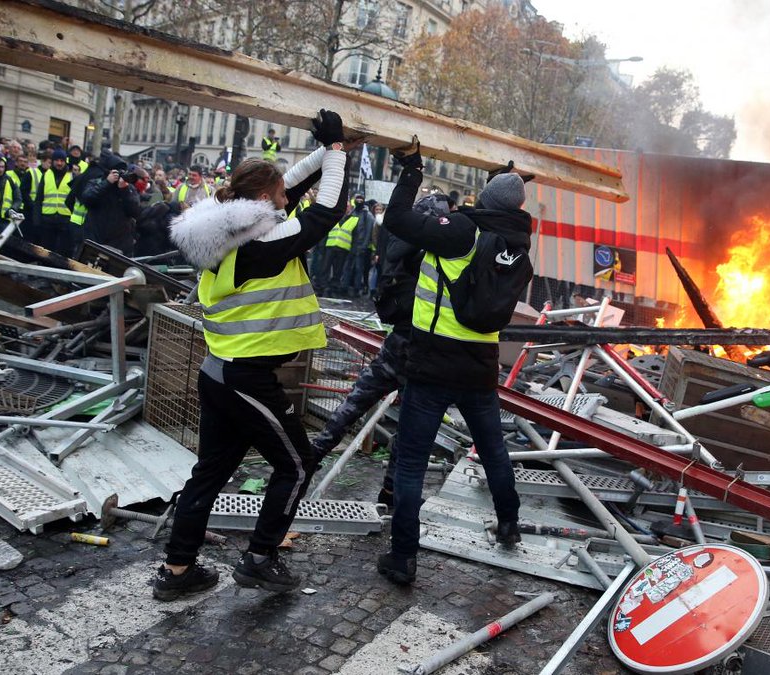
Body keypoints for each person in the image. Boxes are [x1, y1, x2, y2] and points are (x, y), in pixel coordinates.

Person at [153, 109, 350, 601]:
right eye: (279, 196)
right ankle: (260, 558)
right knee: (298, 465)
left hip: (220, 372)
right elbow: (325, 213)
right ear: (263, 201)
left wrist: (326, 152)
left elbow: (293, 187)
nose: (287, 201)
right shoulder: (262, 244)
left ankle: (177, 572)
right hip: (246, 377)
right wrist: (337, 152)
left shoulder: (227, 230)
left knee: (210, 473)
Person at [376, 146, 531, 585]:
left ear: (485, 199)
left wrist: (412, 172)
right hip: (480, 368)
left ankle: (403, 557)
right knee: (494, 451)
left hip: (432, 364)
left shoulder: (463, 232)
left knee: (411, 463)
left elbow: (397, 220)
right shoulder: (518, 245)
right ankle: (509, 523)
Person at [310, 193, 451, 508]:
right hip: (421, 348)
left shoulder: (401, 240)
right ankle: (390, 490)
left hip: (398, 342)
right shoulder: (431, 252)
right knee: (408, 424)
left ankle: (312, 457)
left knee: (354, 403)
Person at [79, 156, 141, 255]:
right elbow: (87, 198)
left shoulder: (129, 189)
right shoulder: (96, 183)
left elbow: (135, 211)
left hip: (120, 243)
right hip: (95, 239)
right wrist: (107, 183)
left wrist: (124, 190)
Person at [33, 148, 74, 255]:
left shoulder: (72, 176)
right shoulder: (46, 175)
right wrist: (37, 220)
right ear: (53, 161)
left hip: (65, 220)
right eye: (57, 160)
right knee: (46, 251)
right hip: (47, 219)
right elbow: (39, 199)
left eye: (62, 161)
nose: (59, 163)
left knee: (63, 252)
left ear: (65, 161)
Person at [0, 155, 24, 229]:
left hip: (6, 219)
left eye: (2, 167)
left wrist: (12, 209)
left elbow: (18, 199)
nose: (1, 169)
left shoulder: (11, 181)